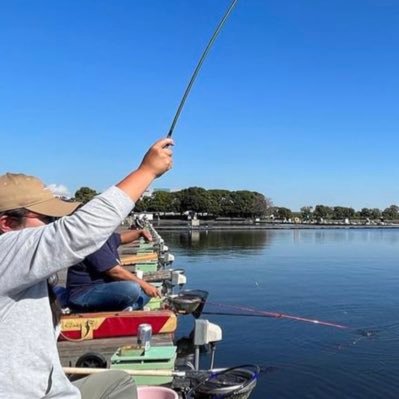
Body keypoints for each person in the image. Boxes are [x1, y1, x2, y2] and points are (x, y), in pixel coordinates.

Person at [0, 137, 173, 398]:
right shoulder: (5, 251)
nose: (53, 225)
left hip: (48, 388)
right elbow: (78, 232)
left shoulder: (16, 264)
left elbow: (103, 236)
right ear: (7, 223)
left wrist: (136, 235)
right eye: (47, 218)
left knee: (119, 382)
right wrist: (146, 172)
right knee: (128, 290)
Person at [66, 228, 160, 312]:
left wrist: (140, 232)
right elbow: (115, 272)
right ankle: (124, 308)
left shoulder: (105, 235)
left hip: (103, 288)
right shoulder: (91, 240)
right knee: (132, 288)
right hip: (83, 294)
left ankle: (126, 308)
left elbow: (121, 238)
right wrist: (145, 285)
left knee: (146, 293)